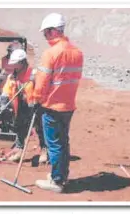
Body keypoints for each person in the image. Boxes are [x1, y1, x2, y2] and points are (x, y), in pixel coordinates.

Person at [31, 13, 83, 193]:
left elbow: (43, 82)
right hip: (68, 105)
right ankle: (60, 174)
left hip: (52, 106)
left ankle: (57, 181)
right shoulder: (77, 52)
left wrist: (36, 99)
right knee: (63, 142)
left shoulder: (51, 53)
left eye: (46, 33)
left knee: (54, 143)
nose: (45, 37)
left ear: (53, 31)